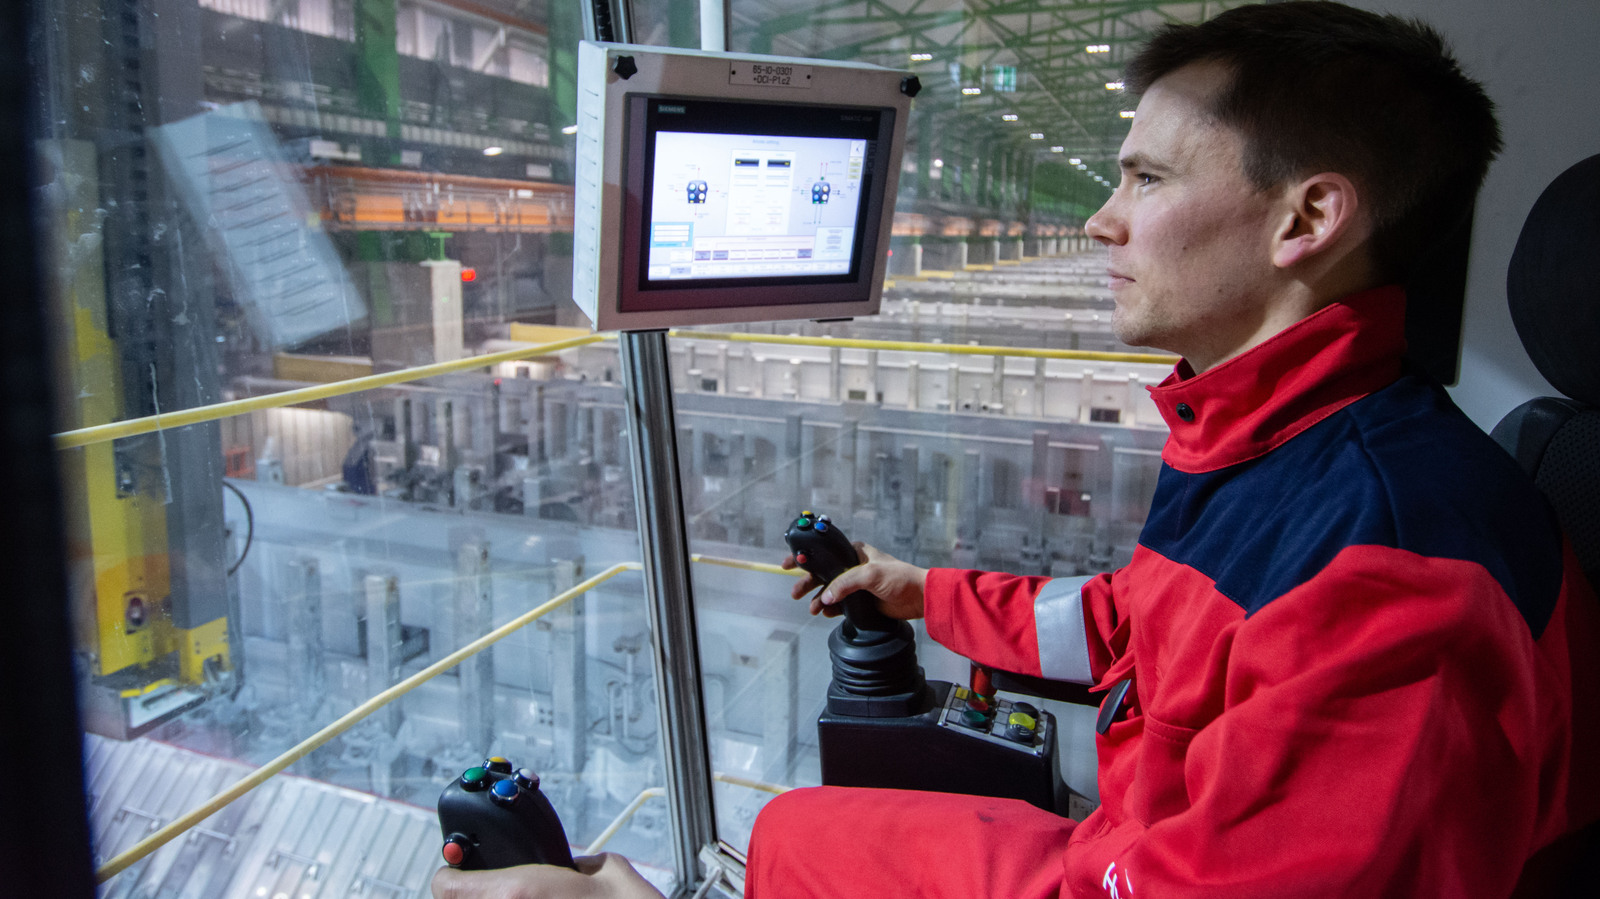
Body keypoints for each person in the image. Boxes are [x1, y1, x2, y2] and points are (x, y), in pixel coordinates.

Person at [433, 2, 1600, 896]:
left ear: (1307, 219)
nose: (1101, 217)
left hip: (1145, 863)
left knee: (796, 840)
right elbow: (1131, 622)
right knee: (791, 828)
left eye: (1144, 177)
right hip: (1147, 833)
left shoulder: (1392, 566)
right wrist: (921, 592)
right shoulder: (1283, 438)